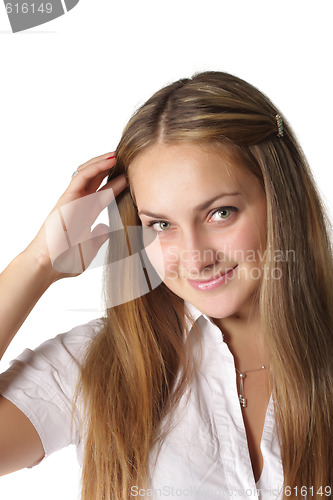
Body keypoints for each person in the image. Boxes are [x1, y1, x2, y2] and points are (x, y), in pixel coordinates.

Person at [0, 71, 332, 500]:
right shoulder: (99, 366)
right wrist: (38, 263)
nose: (195, 257)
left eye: (221, 213)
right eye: (161, 224)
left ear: (280, 198)